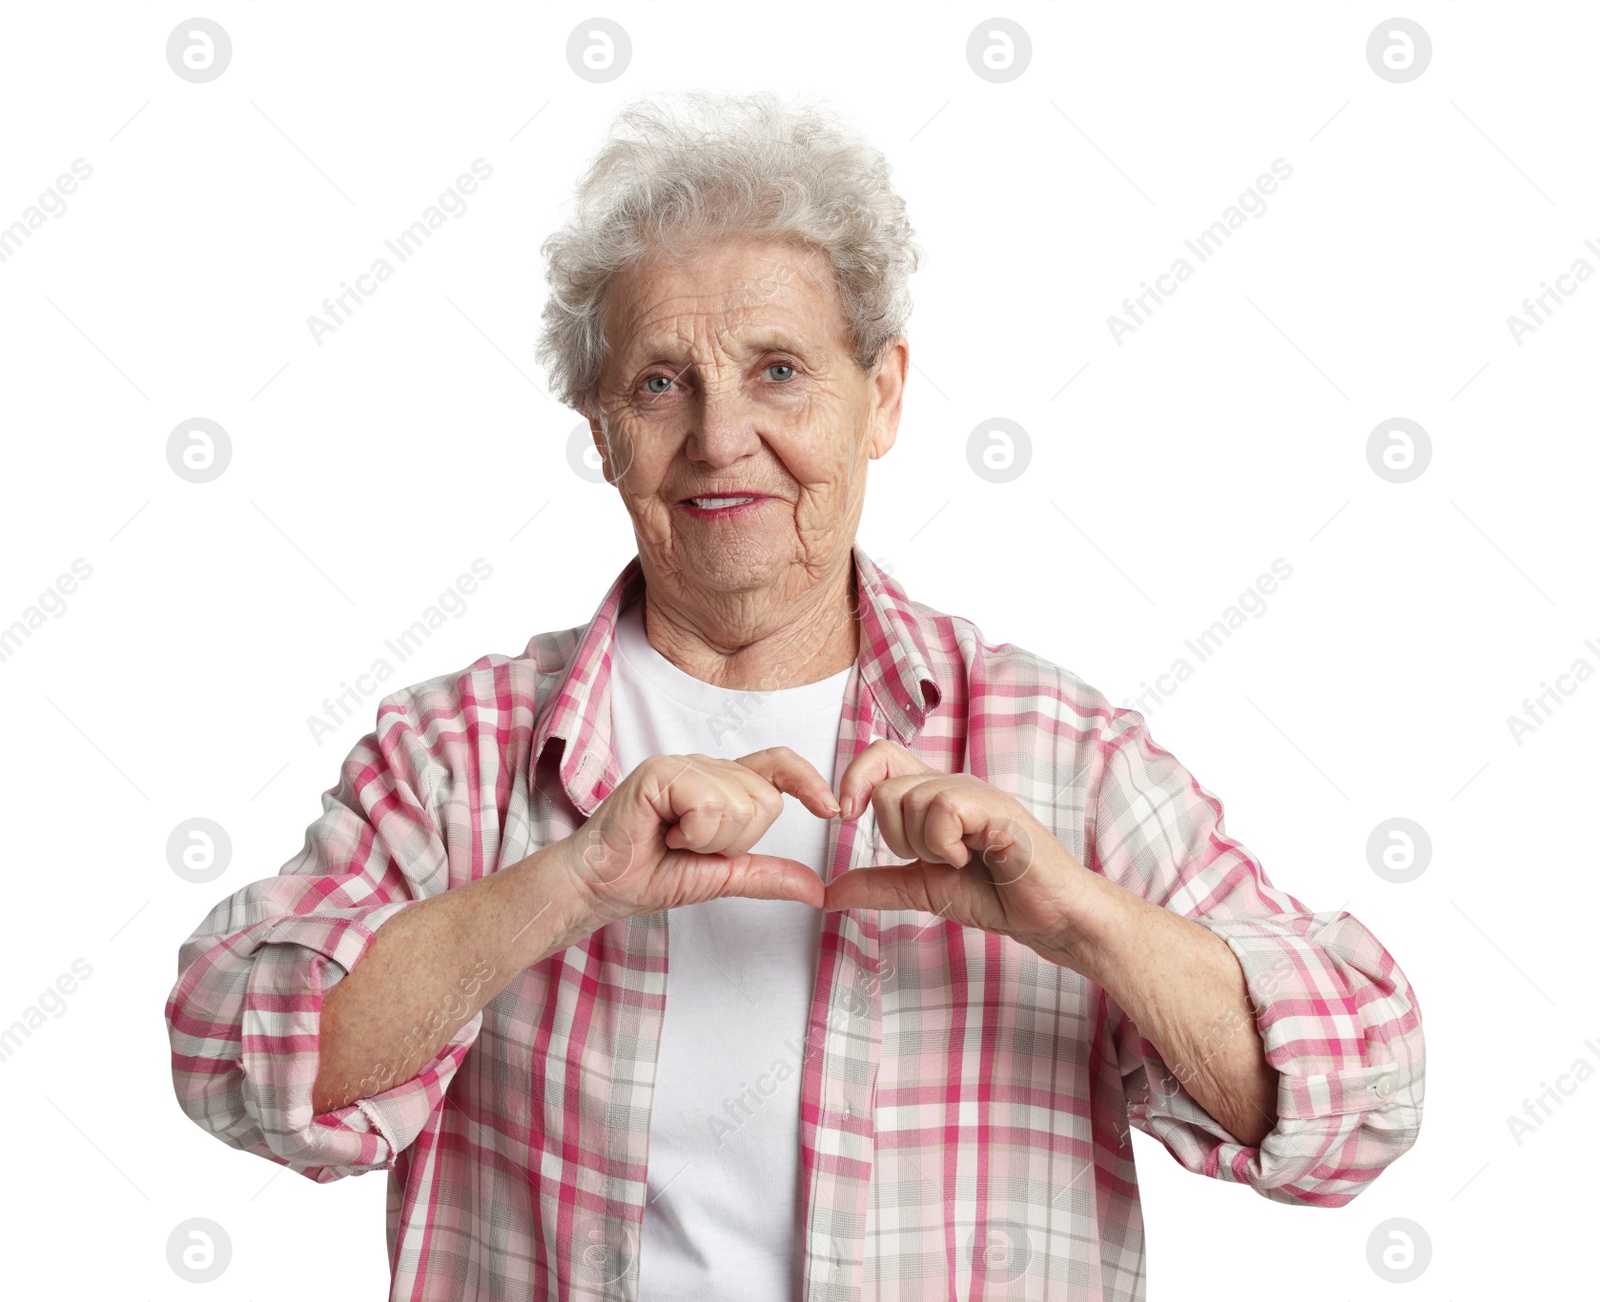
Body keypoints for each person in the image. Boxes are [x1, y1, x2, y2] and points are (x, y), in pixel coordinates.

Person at [166, 89, 1424, 1301]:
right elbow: (236, 1060)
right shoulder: (455, 753)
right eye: (661, 382)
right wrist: (561, 888)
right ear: (602, 432)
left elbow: (1360, 1102)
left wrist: (1082, 918)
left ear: (879, 397)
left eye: (777, 371)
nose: (719, 438)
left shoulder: (1061, 754)